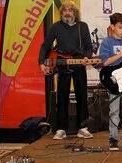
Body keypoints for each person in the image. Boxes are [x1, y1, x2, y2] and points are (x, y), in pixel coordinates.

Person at [38, 0, 94, 140]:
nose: (67, 12)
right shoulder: (56, 27)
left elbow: (89, 47)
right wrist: (41, 63)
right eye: (64, 10)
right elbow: (45, 45)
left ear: (75, 13)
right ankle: (61, 129)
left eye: (70, 10)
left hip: (78, 64)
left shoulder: (83, 26)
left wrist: (87, 57)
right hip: (62, 65)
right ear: (61, 12)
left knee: (82, 95)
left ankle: (83, 127)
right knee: (61, 97)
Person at [98, 13, 122, 151]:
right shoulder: (107, 42)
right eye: (120, 27)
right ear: (112, 27)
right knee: (114, 111)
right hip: (113, 81)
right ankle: (113, 139)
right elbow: (106, 62)